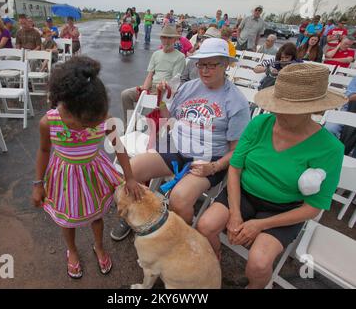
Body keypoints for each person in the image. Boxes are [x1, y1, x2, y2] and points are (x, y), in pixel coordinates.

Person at [197, 63, 346, 288]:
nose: (277, 112)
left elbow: (313, 207)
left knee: (258, 263)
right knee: (205, 226)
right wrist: (236, 214)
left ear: (312, 110)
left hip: (286, 209)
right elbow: (235, 168)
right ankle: (214, 257)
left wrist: (260, 225)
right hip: (244, 194)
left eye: (287, 109)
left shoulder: (329, 149)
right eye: (277, 105)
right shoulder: (260, 123)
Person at [111, 38, 250, 241]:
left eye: (212, 65)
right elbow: (170, 121)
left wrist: (214, 167)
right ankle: (133, 215)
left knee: (180, 198)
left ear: (226, 64)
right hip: (174, 146)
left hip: (208, 159)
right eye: (201, 64)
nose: (204, 70)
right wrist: (161, 102)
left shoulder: (236, 102)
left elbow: (237, 150)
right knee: (130, 170)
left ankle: (178, 238)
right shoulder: (189, 88)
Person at [32, 56, 143, 278]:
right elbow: (44, 151)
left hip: (94, 174)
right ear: (70, 112)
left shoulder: (101, 116)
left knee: (96, 215)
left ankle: (98, 245)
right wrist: (38, 183)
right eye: (88, 123)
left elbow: (118, 147)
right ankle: (71, 250)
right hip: (64, 177)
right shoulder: (49, 122)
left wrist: (130, 177)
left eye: (98, 120)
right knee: (67, 218)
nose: (95, 124)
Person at [120, 26, 186, 124]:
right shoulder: (156, 54)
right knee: (126, 95)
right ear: (161, 38)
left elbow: (174, 82)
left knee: (150, 108)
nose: (166, 41)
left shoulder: (180, 57)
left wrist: (160, 92)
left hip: (165, 91)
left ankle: (149, 130)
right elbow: (150, 75)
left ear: (175, 39)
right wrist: (145, 90)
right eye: (164, 37)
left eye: (169, 38)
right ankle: (129, 126)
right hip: (151, 87)